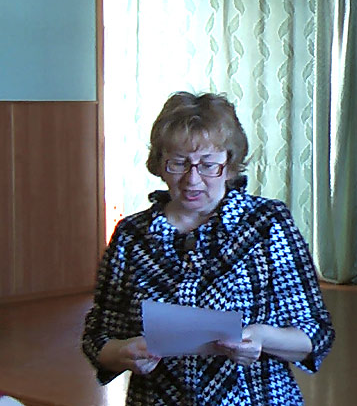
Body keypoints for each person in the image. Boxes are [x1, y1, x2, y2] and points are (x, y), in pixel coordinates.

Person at [82, 92, 335, 405]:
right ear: (160, 165)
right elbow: (98, 337)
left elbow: (315, 333)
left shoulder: (267, 224)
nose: (192, 179)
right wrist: (123, 352)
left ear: (229, 165)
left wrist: (261, 338)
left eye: (208, 164)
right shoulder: (132, 235)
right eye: (178, 163)